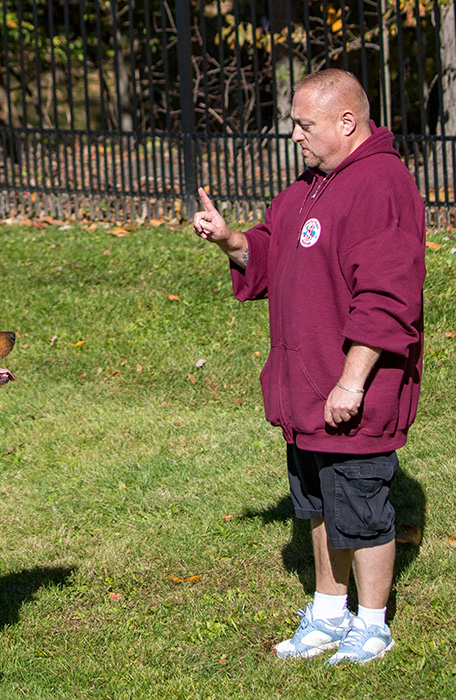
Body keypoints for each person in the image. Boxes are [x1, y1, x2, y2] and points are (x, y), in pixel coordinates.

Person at [192, 68, 425, 665]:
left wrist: (353, 380)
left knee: (364, 508)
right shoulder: (309, 186)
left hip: (351, 388)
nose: (294, 135)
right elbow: (273, 251)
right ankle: (328, 611)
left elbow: (388, 297)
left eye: (304, 124)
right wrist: (231, 241)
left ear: (347, 122)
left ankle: (372, 625)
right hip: (305, 388)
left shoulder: (381, 184)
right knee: (319, 503)